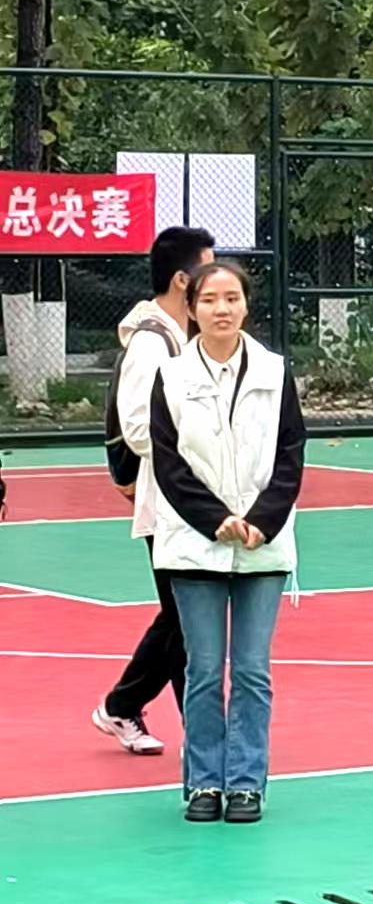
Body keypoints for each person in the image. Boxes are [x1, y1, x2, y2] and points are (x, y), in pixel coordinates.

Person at [151, 261, 306, 824]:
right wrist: (214, 519)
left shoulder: (274, 370)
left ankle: (245, 783)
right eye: (210, 299)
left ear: (246, 304)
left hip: (263, 545)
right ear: (192, 308)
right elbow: (167, 463)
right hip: (195, 545)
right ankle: (202, 783)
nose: (222, 308)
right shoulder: (170, 376)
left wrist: (262, 520)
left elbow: (290, 453)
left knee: (251, 671)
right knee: (203, 669)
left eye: (232, 298)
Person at [91, 226, 214, 756]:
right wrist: (201, 441)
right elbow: (140, 429)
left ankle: (123, 705)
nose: (217, 284)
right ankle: (204, 738)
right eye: (208, 270)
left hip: (191, 501)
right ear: (183, 280)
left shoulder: (184, 336)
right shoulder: (151, 342)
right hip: (167, 502)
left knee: (183, 617)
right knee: (187, 620)